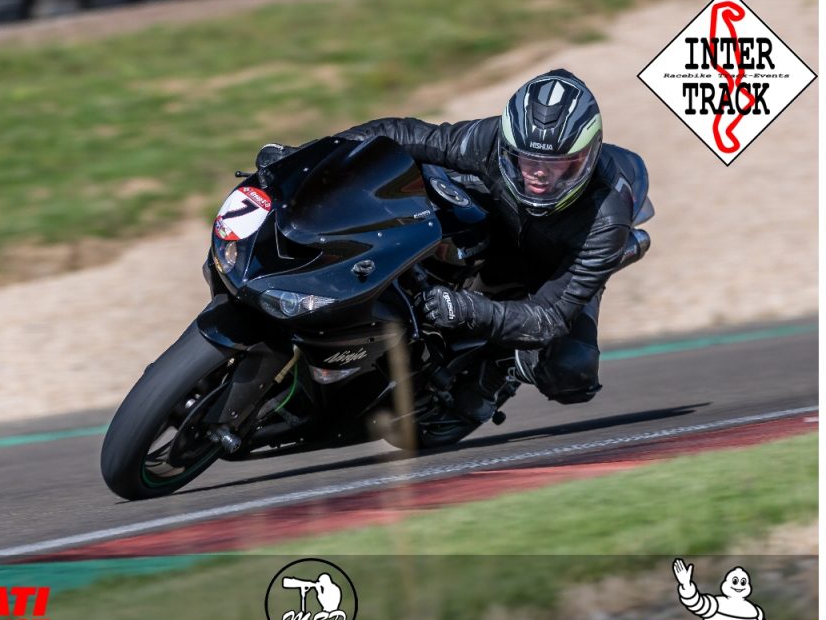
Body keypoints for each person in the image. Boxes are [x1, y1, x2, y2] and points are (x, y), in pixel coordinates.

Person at [257, 69, 652, 422]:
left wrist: (465, 309)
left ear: (586, 158)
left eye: (557, 165)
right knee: (426, 190)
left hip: (554, 267)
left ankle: (501, 366)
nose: (537, 174)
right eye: (526, 160)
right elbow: (407, 135)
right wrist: (312, 156)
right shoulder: (492, 140)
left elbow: (548, 317)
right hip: (502, 223)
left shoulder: (605, 219)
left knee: (570, 371)